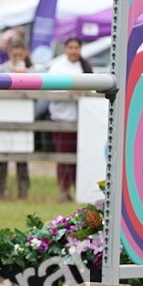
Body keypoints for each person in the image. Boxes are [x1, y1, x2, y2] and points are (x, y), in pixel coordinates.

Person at [46, 36, 93, 201]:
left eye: (76, 47)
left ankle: (77, 188)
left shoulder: (85, 66)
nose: (73, 51)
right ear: (66, 49)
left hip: (81, 118)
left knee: (78, 156)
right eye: (70, 47)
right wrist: (69, 93)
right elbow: (50, 90)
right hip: (61, 117)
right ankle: (64, 189)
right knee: (64, 155)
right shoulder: (57, 67)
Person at [0, 39, 32, 199]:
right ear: (9, 53)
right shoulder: (1, 70)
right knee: (1, 157)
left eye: (20, 54)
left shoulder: (32, 70)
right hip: (4, 115)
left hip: (24, 117)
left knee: (22, 158)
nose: (17, 57)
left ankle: (23, 191)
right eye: (14, 54)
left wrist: (26, 76)